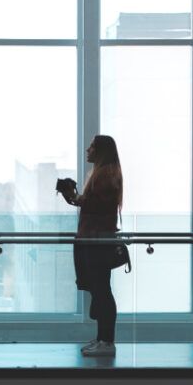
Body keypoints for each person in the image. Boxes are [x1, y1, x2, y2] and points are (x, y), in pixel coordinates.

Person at [60, 134, 124, 357]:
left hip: (97, 239)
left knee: (102, 291)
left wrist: (76, 197)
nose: (87, 150)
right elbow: (96, 204)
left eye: (92, 147)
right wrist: (74, 197)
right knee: (100, 289)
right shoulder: (106, 174)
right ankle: (102, 339)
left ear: (101, 151)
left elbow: (96, 206)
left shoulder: (105, 175)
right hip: (96, 238)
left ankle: (107, 342)